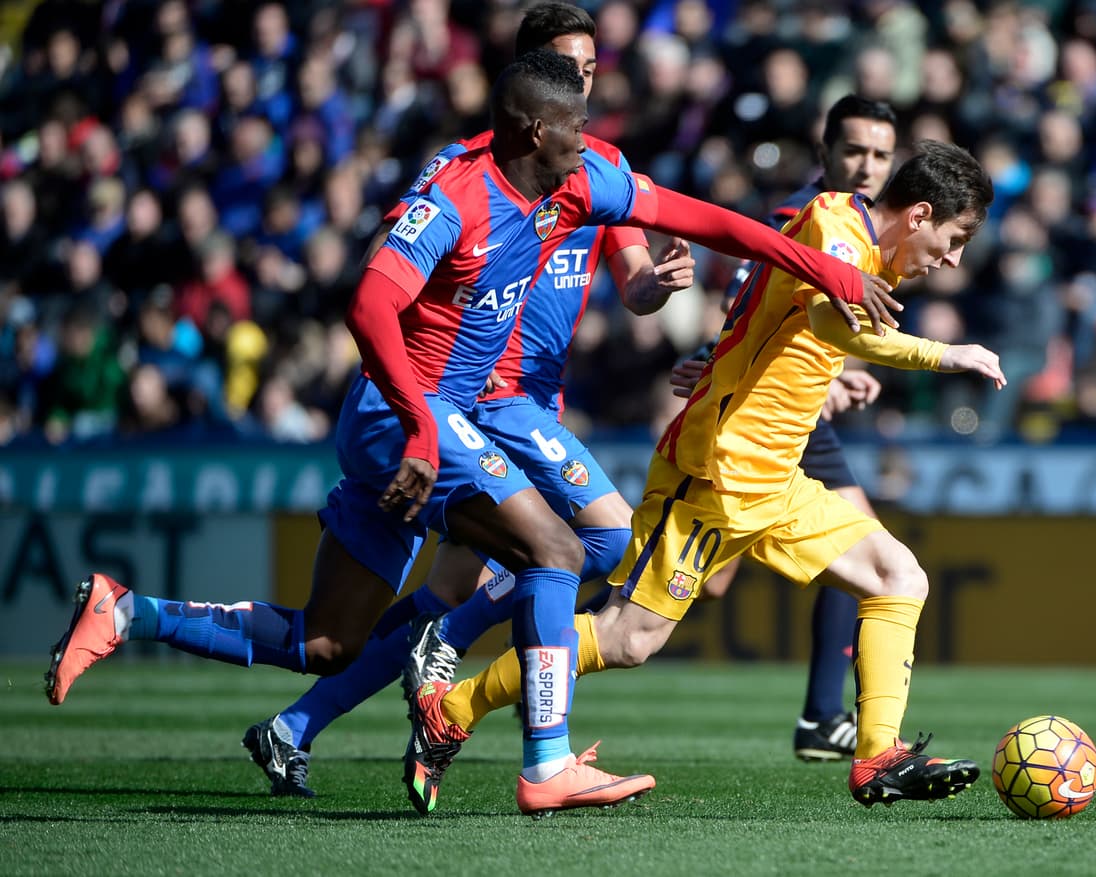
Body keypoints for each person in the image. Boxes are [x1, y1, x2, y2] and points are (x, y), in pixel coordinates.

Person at [45, 49, 901, 818]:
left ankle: (128, 611)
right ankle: (543, 760)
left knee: (326, 639)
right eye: (574, 124)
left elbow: (704, 218)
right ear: (533, 125)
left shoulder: (576, 183)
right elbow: (369, 303)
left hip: (458, 417)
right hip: (403, 414)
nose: (589, 138)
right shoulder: (455, 194)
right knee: (556, 553)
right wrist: (421, 424)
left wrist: (822, 268)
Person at [405, 140, 1004, 812]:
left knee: (900, 576)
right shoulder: (836, 233)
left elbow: (776, 309)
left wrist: (722, 355)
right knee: (627, 637)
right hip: (716, 475)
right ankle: (450, 708)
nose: (951, 260)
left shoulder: (851, 239)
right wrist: (947, 354)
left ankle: (877, 757)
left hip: (777, 479)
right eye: (954, 240)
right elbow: (836, 324)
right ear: (921, 214)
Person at [238, 2, 696, 803]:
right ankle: (476, 704)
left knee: (462, 589)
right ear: (532, 80)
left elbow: (632, 286)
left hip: (536, 403)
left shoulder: (598, 163)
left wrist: (655, 286)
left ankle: (299, 725)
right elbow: (405, 272)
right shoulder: (474, 167)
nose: (585, 76)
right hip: (486, 399)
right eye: (568, 64)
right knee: (596, 536)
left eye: (592, 65)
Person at [685, 95, 900, 762]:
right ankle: (542, 627)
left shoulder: (860, 226)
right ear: (826, 153)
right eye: (855, 151)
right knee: (690, 583)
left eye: (880, 155)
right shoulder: (798, 218)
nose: (866, 166)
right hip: (766, 418)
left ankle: (821, 716)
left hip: (804, 416)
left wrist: (841, 374)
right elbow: (744, 304)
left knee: (865, 557)